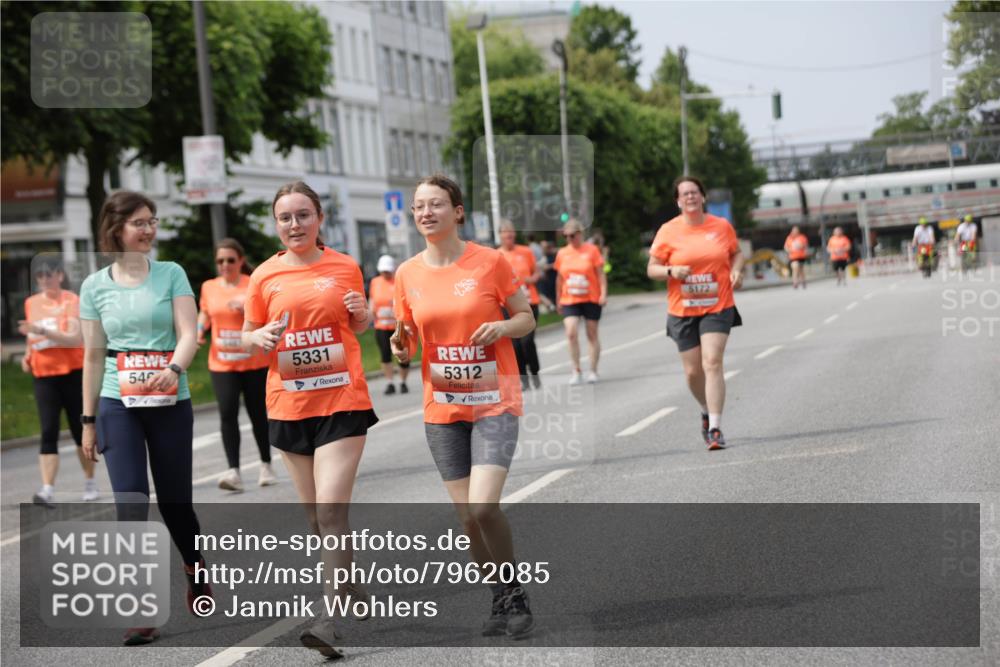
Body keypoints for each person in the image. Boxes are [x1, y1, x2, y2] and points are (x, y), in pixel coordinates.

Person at [391, 174, 536, 638]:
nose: (426, 212)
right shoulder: (407, 273)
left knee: (484, 505)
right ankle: (499, 594)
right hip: (443, 408)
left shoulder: (490, 262)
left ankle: (515, 592)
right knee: (466, 519)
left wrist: (502, 328)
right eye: (418, 206)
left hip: (495, 401)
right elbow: (407, 338)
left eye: (436, 204)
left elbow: (527, 318)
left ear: (457, 212)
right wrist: (399, 348)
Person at [242, 181, 377, 659]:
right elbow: (247, 334)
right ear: (275, 224)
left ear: (319, 218)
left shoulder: (343, 266)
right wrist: (258, 337)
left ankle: (330, 619)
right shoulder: (263, 276)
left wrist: (363, 313)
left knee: (331, 511)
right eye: (285, 217)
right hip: (288, 405)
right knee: (313, 518)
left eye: (303, 215)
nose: (294, 225)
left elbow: (358, 324)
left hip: (342, 401)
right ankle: (351, 585)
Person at [79, 191, 211, 646]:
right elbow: (93, 358)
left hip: (170, 399)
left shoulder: (171, 274)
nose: (150, 229)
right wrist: (88, 419)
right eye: (140, 222)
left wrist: (172, 367)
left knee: (176, 503)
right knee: (131, 505)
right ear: (116, 228)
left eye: (153, 221)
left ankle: (195, 570)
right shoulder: (94, 286)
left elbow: (189, 333)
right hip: (118, 402)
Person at [647, 176, 745, 451]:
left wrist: (737, 269)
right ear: (678, 201)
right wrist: (670, 271)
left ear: (702, 197)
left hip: (718, 305)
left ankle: (715, 427)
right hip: (682, 309)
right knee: (692, 372)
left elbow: (736, 254)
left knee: (711, 362)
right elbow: (651, 268)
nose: (690, 197)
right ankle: (705, 409)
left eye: (694, 192)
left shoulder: (721, 226)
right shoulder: (668, 231)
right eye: (684, 194)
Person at [18, 258, 98, 505]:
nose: (44, 279)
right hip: (44, 376)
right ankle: (47, 489)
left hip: (72, 373)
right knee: (48, 430)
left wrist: (44, 331)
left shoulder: (71, 301)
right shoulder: (31, 303)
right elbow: (31, 334)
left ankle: (90, 482)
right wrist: (27, 354)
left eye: (49, 274)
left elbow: (75, 338)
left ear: (60, 276)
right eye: (40, 275)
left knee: (78, 430)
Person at [198, 238, 275, 492]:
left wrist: (244, 308)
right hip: (222, 364)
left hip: (253, 362)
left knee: (257, 415)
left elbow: (266, 315)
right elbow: (205, 314)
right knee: (227, 414)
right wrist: (199, 330)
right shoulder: (209, 287)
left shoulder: (252, 283)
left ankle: (266, 465)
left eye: (230, 260)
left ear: (240, 261)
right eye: (220, 261)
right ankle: (234, 472)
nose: (225, 265)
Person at [554, 219, 607, 384]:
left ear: (580, 234)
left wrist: (603, 294)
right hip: (569, 298)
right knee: (571, 333)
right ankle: (576, 370)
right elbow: (559, 278)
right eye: (566, 236)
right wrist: (558, 300)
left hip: (591, 297)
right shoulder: (562, 253)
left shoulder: (592, 250)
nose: (569, 239)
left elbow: (601, 274)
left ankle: (593, 370)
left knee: (592, 334)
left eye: (572, 236)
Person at [498, 220, 543, 390]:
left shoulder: (525, 251)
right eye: (505, 231)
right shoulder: (496, 256)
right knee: (515, 345)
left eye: (511, 231)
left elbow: (536, 271)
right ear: (500, 235)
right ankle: (523, 379)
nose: (509, 234)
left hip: (529, 303)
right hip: (507, 306)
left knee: (527, 341)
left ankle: (535, 374)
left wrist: (533, 279)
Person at [368, 254, 410, 395]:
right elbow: (372, 300)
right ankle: (390, 382)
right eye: (383, 271)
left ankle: (403, 382)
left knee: (402, 356)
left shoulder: (399, 281)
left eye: (387, 271)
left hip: (398, 326)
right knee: (385, 355)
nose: (385, 273)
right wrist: (370, 314)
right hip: (381, 326)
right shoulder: (375, 282)